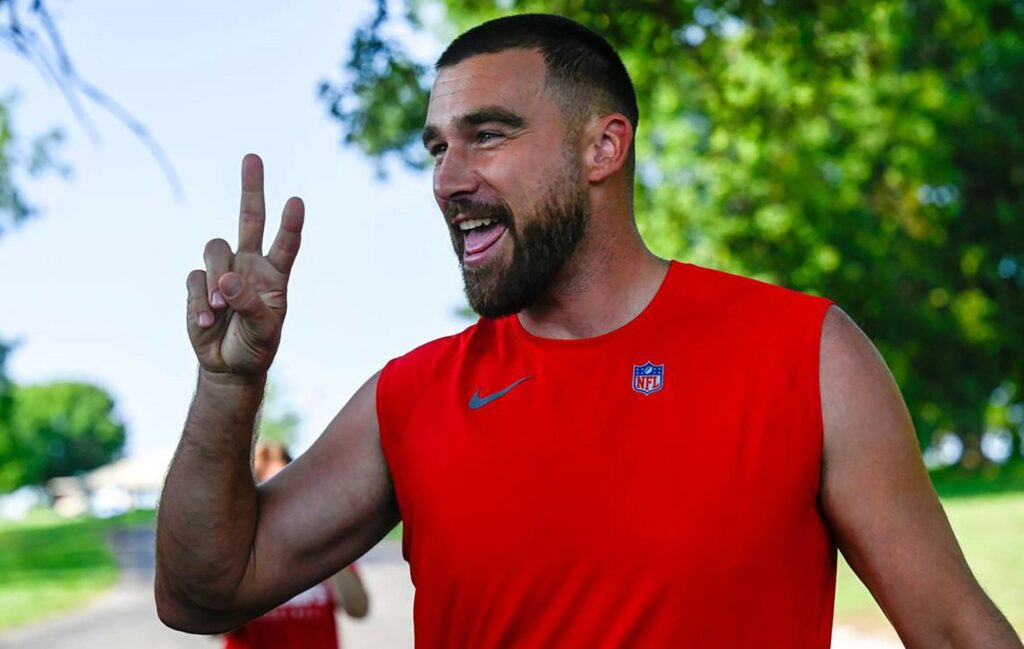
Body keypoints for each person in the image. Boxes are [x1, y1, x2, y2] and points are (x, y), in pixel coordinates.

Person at [155, 13, 1022, 648]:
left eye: (486, 136)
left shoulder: (807, 353)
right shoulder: (412, 396)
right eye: (435, 148)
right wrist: (229, 387)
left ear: (603, 148)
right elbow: (202, 592)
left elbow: (952, 630)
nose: (447, 179)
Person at [219, 442, 369, 649]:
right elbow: (217, 628)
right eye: (268, 491)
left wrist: (327, 546)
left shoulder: (322, 543)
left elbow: (358, 609)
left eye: (285, 489)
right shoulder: (240, 549)